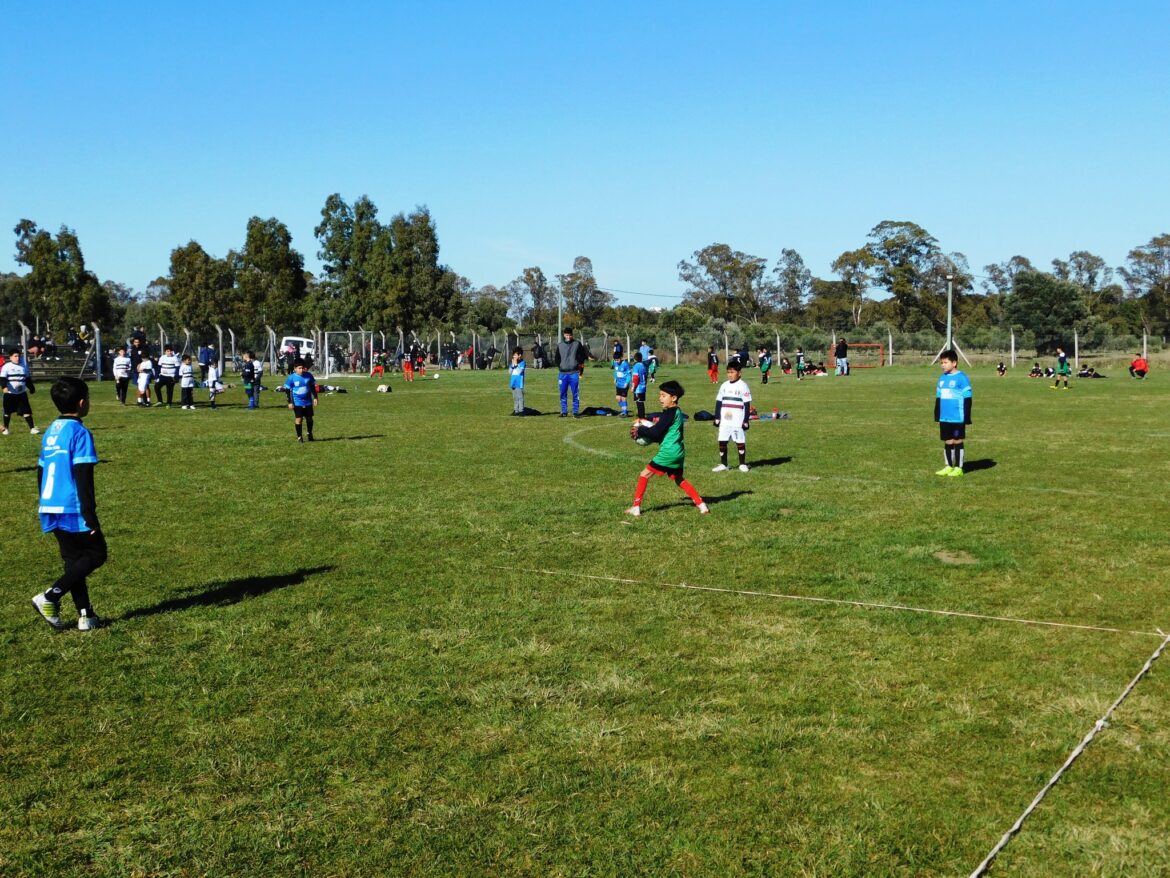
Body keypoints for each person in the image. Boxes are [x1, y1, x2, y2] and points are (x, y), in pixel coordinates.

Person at [30, 376, 106, 631]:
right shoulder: (80, 432)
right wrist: (89, 513)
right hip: (71, 505)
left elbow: (40, 471)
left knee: (74, 562)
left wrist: (44, 500)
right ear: (82, 402)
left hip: (49, 502)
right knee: (96, 554)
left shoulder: (51, 430)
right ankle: (50, 596)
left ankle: (86, 615)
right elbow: (83, 475)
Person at [626, 380, 708, 517]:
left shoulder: (669, 413)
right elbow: (662, 434)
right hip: (678, 452)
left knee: (644, 474)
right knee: (678, 479)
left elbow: (656, 432)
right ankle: (701, 504)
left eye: (663, 395)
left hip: (669, 453)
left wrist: (640, 430)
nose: (660, 398)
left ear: (673, 398)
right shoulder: (676, 412)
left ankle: (636, 507)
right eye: (660, 395)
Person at [935, 349, 972, 477]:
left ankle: (959, 468)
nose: (942, 365)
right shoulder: (942, 378)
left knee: (957, 441)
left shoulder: (962, 378)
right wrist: (937, 414)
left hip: (957, 417)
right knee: (947, 441)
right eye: (941, 363)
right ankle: (948, 466)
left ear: (954, 363)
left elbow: (968, 398)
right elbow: (939, 398)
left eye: (945, 362)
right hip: (945, 417)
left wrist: (966, 417)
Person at [713, 359, 752, 472]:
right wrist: (717, 417)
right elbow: (719, 402)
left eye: (732, 372)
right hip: (725, 420)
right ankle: (724, 464)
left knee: (739, 440)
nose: (730, 375)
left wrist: (745, 420)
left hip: (737, 420)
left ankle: (742, 464)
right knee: (722, 440)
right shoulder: (724, 385)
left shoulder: (743, 386)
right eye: (728, 372)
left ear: (739, 373)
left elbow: (747, 404)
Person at [2, 349, 39, 436]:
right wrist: (4, 387)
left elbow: (27, 379)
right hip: (10, 394)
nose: (17, 358)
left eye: (18, 356)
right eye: (15, 356)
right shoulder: (7, 366)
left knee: (27, 411)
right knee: (7, 412)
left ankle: (32, 428)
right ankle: (6, 429)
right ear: (10, 357)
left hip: (21, 394)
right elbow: (2, 379)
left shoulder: (23, 367)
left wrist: (31, 388)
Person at [554, 327, 586, 417]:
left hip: (574, 373)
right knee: (563, 393)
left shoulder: (577, 344)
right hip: (563, 373)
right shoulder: (560, 345)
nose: (568, 337)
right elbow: (557, 358)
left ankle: (575, 412)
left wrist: (580, 368)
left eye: (570, 335)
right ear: (564, 335)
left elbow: (582, 357)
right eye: (567, 335)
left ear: (572, 335)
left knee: (575, 393)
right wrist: (560, 366)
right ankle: (564, 412)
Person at [283, 359, 318, 441]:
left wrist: (315, 397)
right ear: (295, 368)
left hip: (308, 401)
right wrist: (289, 402)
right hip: (297, 402)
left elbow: (312, 387)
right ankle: (299, 437)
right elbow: (287, 391)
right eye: (299, 368)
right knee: (299, 419)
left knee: (309, 418)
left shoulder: (308, 375)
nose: (301, 370)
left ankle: (309, 433)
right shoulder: (291, 378)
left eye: (303, 368)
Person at [631, 352, 648, 419]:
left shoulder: (636, 366)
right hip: (643, 386)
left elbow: (636, 378)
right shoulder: (643, 365)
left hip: (638, 388)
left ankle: (641, 417)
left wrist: (633, 387)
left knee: (639, 402)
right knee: (641, 401)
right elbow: (646, 376)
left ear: (635, 359)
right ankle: (641, 416)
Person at [509, 348, 526, 415]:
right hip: (513, 382)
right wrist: (512, 365)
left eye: (515, 355)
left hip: (519, 382)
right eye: (513, 355)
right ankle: (516, 410)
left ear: (519, 355)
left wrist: (516, 364)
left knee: (520, 397)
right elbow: (510, 372)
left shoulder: (522, 363)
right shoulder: (512, 363)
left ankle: (521, 410)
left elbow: (519, 372)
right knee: (515, 397)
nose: (514, 357)